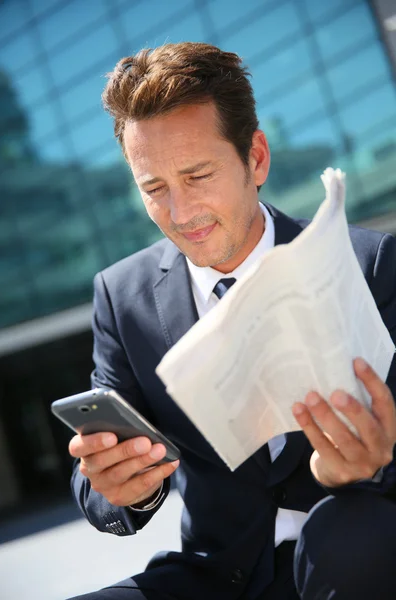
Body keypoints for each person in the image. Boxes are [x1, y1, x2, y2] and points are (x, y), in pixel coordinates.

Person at [67, 43, 396, 600]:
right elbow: (101, 465)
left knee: (353, 549)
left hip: (353, 552)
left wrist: (371, 467)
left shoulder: (374, 264)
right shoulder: (121, 297)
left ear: (256, 158)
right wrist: (118, 486)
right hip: (214, 575)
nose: (180, 212)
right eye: (154, 189)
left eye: (197, 175)